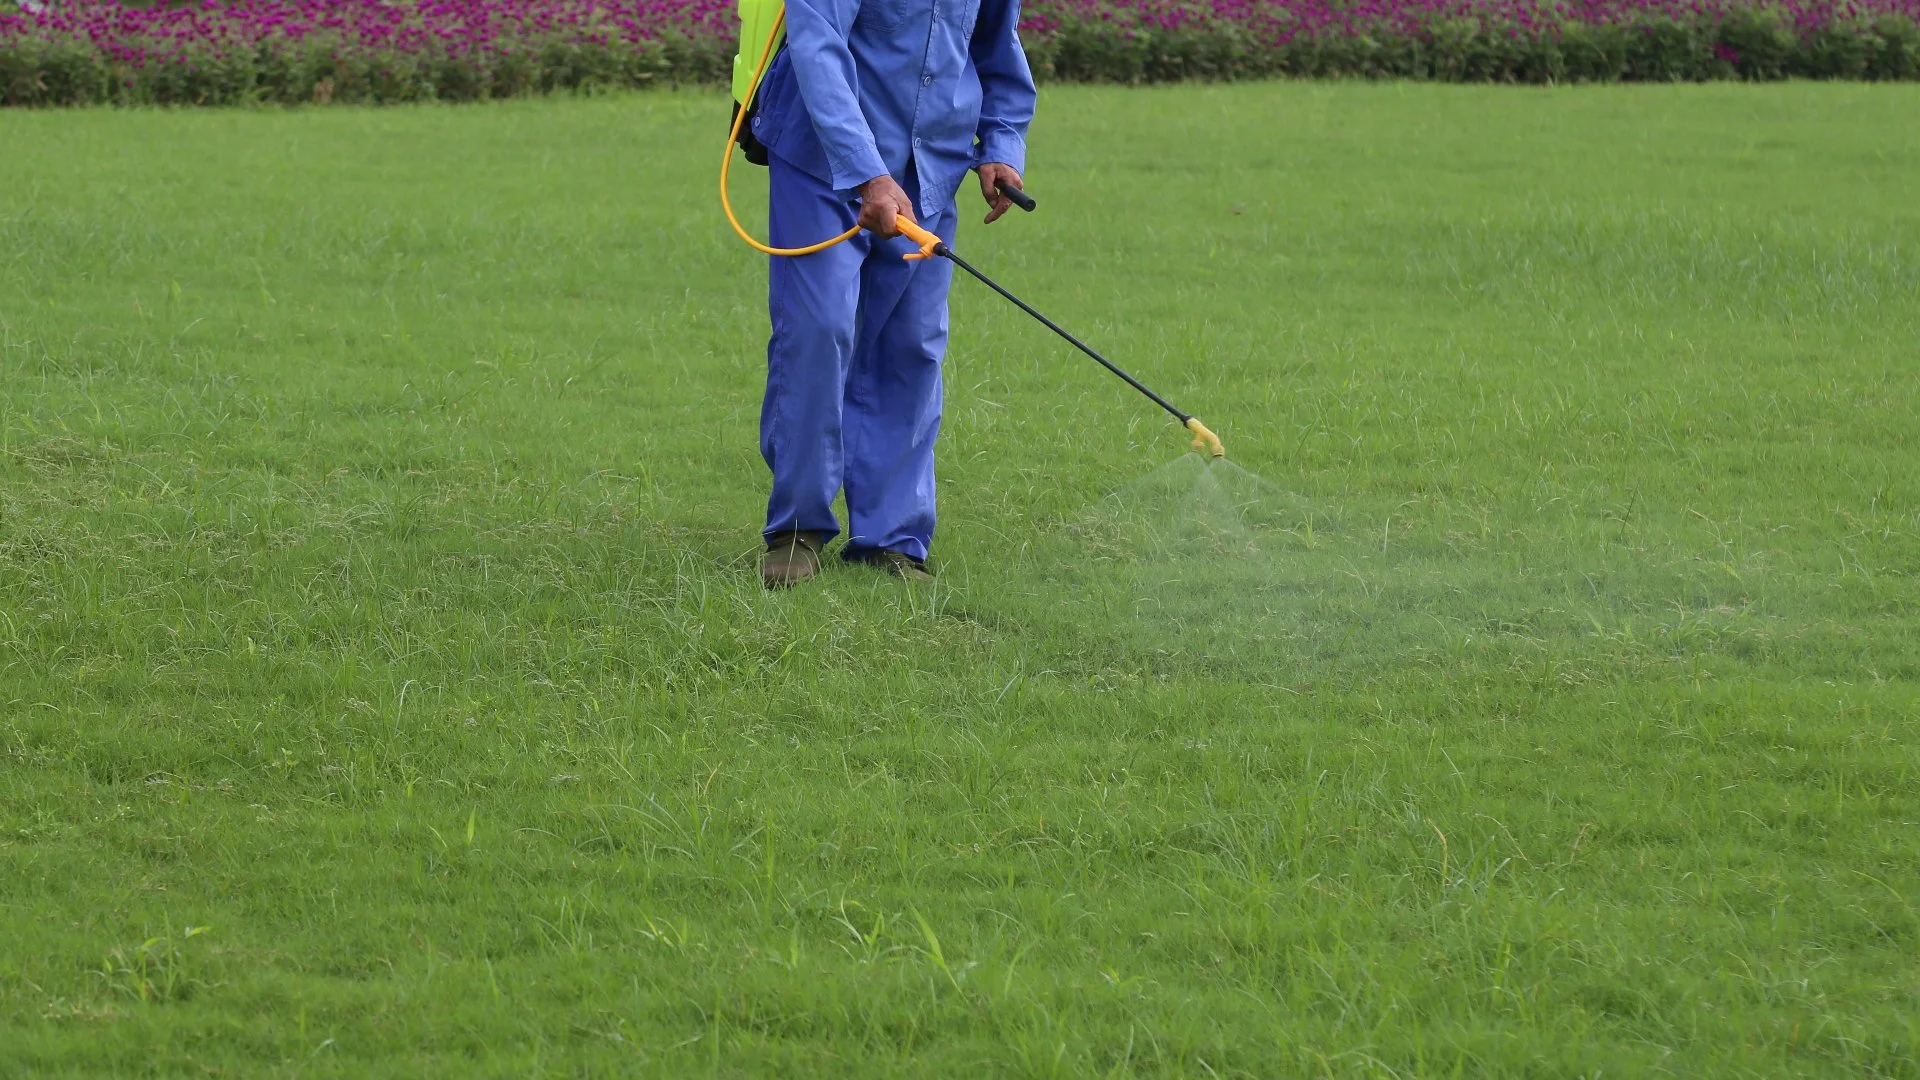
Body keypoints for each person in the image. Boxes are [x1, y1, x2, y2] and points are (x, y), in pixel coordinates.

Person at [745, 0, 1036, 587]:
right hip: (820, 158)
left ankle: (891, 539)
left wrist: (1001, 143)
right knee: (818, 327)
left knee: (911, 344)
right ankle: (797, 528)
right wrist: (868, 173)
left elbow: (996, 45)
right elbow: (817, 45)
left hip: (929, 164)